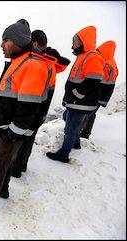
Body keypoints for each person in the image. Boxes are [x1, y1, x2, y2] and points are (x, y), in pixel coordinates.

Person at [0, 19, 56, 218]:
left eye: (5, 40)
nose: (1, 45)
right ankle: (3, 189)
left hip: (12, 132)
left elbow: (28, 107)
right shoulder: (19, 62)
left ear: (17, 41)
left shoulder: (32, 65)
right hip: (8, 129)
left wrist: (11, 133)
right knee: (7, 161)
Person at [11, 30, 71, 177]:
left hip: (34, 109)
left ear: (35, 44)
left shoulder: (40, 63)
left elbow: (32, 90)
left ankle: (16, 169)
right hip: (41, 109)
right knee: (29, 139)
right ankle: (22, 165)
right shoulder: (50, 62)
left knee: (23, 139)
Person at [46, 26, 104, 163]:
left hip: (81, 103)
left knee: (70, 129)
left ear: (83, 41)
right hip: (77, 102)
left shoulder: (92, 57)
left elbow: (93, 81)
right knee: (68, 118)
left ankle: (63, 154)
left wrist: (77, 94)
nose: (72, 45)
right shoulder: (83, 56)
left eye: (74, 41)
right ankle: (76, 142)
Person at [79, 40, 119, 140]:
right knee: (91, 114)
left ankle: (79, 132)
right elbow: (110, 85)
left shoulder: (105, 64)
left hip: (95, 95)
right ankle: (86, 133)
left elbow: (96, 81)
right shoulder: (113, 65)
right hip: (102, 96)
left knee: (86, 114)